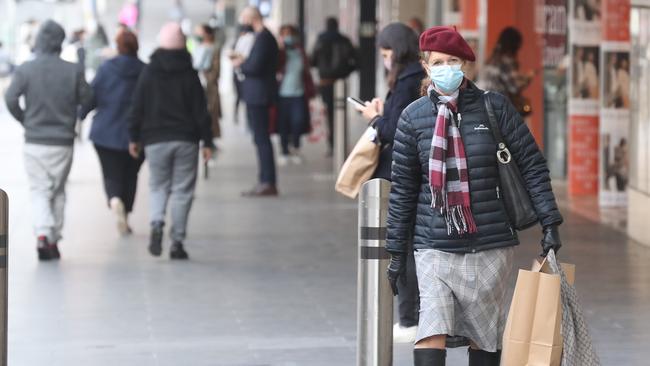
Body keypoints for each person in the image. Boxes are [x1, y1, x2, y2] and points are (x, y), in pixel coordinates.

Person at [385, 26, 563, 365]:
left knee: (484, 337)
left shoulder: (493, 107)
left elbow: (532, 166)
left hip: (489, 245)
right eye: (438, 62)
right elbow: (403, 191)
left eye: (453, 60)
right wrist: (396, 251)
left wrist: (550, 222)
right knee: (431, 330)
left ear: (465, 63)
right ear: (426, 66)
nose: (446, 68)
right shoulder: (413, 118)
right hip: (434, 246)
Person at [354, 22, 425, 343]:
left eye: (386, 54)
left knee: (403, 244)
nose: (385, 60)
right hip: (409, 172)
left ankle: (410, 318)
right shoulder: (412, 77)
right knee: (408, 243)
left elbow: (397, 129)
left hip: (402, 174)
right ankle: (413, 317)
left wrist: (375, 119)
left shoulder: (408, 80)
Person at [4, 20, 93, 261]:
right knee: (58, 190)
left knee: (39, 189)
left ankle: (43, 233)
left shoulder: (26, 69)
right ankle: (53, 239)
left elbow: (10, 98)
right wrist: (75, 118)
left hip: (34, 141)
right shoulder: (73, 70)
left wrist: (25, 120)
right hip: (63, 141)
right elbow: (89, 97)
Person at [128, 22, 214, 260]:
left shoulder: (149, 72)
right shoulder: (189, 73)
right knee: (182, 191)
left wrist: (133, 136)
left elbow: (137, 106)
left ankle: (156, 222)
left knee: (158, 185)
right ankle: (176, 242)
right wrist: (207, 142)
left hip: (155, 139)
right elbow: (201, 111)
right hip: (186, 139)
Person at [79, 30, 145, 236]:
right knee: (131, 174)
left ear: (118, 48)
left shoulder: (106, 68)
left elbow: (92, 95)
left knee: (111, 173)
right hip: (137, 134)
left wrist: (81, 115)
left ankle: (114, 199)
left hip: (105, 132)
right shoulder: (145, 71)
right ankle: (126, 213)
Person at [230, 6, 279, 196]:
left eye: (244, 19)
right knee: (259, 138)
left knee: (262, 138)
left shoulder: (264, 38)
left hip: (260, 94)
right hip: (255, 94)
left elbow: (255, 66)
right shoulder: (260, 37)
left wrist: (241, 63)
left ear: (252, 19)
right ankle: (264, 179)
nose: (242, 23)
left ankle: (268, 181)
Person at [311, 17, 357, 155]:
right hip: (340, 82)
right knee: (340, 112)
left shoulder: (320, 40)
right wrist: (345, 72)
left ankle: (332, 144)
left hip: (325, 82)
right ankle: (339, 142)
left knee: (330, 113)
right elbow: (357, 61)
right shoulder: (345, 40)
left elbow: (312, 61)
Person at [276, 24, 315, 166]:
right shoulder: (280, 53)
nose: (288, 37)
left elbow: (306, 71)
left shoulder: (300, 52)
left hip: (299, 93)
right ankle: (284, 150)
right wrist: (280, 47)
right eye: (285, 34)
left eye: (290, 34)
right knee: (283, 124)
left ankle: (296, 147)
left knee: (298, 121)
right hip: (282, 94)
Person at [481, 27, 534, 116]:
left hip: (485, 106)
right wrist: (528, 77)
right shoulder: (506, 61)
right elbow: (514, 86)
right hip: (500, 109)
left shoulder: (491, 60)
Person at [193, 24, 222, 140]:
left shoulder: (213, 49)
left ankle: (209, 139)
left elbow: (215, 72)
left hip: (208, 87)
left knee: (210, 114)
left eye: (199, 32)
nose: (197, 35)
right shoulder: (199, 47)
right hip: (197, 84)